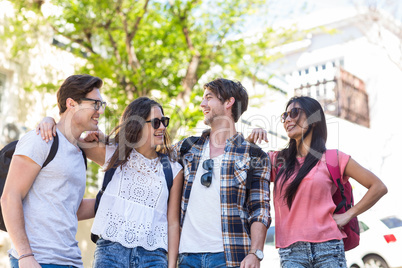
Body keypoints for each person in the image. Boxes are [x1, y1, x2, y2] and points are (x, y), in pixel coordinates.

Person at [37, 97, 183, 268]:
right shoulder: (115, 155)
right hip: (110, 255)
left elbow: (173, 222)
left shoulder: (173, 169)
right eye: (156, 122)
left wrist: (172, 265)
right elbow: (68, 137)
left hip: (153, 258)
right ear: (136, 125)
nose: (163, 127)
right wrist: (49, 121)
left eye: (164, 121)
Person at [248, 96, 388, 268]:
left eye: (294, 113)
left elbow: (378, 187)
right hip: (291, 253)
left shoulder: (333, 158)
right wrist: (249, 142)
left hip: (329, 249)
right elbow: (241, 168)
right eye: (285, 116)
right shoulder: (277, 160)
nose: (288, 119)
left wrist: (348, 215)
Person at [1, 74, 105, 268]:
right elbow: (10, 197)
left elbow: (72, 207)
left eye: (102, 105)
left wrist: (111, 200)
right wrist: (25, 256)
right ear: (72, 104)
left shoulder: (79, 153)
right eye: (95, 104)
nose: (100, 111)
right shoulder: (41, 139)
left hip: (71, 261)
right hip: (38, 260)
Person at [173, 78, 271, 268]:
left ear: (229, 102)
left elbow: (260, 209)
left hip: (230, 258)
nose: (202, 104)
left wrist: (255, 253)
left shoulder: (254, 154)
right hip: (186, 257)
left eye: (208, 98)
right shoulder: (187, 147)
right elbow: (149, 156)